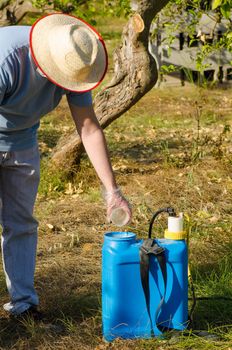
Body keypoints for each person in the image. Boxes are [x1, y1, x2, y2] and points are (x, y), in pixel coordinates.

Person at [0, 13, 132, 318]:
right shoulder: (7, 58)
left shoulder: (74, 59)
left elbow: (88, 128)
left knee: (20, 224)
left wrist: (112, 190)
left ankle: (23, 306)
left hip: (22, 141)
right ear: (44, 60)